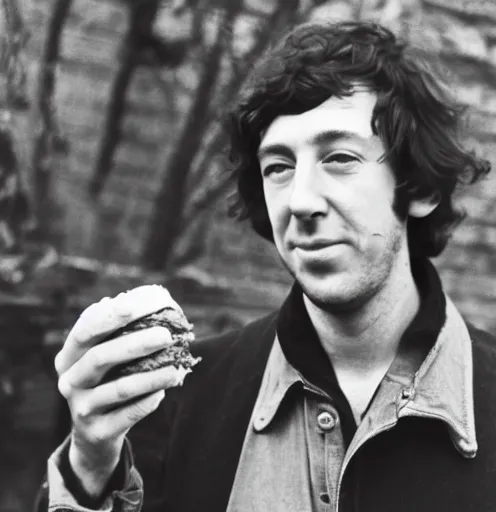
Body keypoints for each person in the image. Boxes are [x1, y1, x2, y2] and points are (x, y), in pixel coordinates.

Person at [37, 20, 495, 512]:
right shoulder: (174, 404)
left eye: (339, 158)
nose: (299, 201)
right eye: (278, 167)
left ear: (420, 185)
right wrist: (88, 467)